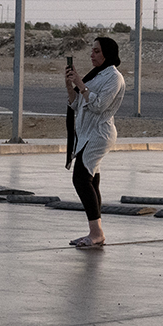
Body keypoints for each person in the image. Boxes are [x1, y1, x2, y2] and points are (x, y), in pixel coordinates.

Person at [64, 36, 126, 249]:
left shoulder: (114, 78)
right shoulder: (95, 76)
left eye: (97, 51)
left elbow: (99, 106)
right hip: (86, 134)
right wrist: (71, 87)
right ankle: (96, 230)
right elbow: (77, 105)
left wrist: (80, 84)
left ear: (108, 53)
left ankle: (96, 232)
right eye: (92, 51)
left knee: (81, 178)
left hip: (99, 134)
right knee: (91, 179)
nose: (92, 54)